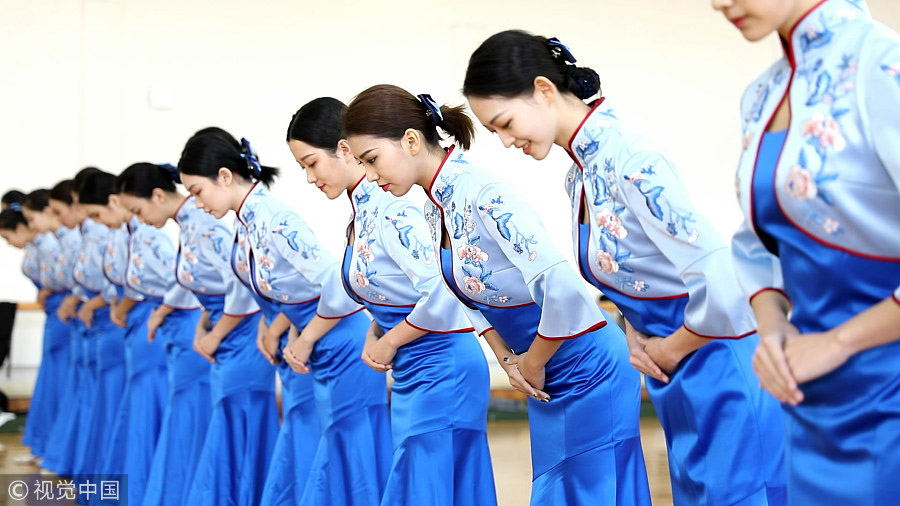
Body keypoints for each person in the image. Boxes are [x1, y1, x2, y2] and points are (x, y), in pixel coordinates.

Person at [462, 30, 788, 505]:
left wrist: (670, 349)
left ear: (544, 90)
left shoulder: (630, 159)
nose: (506, 141)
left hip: (721, 364)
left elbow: (724, 281)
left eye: (506, 123)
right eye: (494, 132)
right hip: (672, 368)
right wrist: (639, 336)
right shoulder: (579, 173)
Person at [344, 84, 651, 505]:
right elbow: (468, 296)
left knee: (588, 490)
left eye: (373, 160)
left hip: (588, 367)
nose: (372, 176)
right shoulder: (437, 207)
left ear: (411, 141)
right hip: (540, 370)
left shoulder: (484, 194)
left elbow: (560, 289)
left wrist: (532, 361)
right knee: (555, 489)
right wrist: (508, 358)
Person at [710, 0, 900, 503]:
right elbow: (758, 242)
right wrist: (772, 330)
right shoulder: (762, 95)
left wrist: (839, 343)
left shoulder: (881, 64)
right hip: (806, 383)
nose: (718, 3)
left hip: (887, 382)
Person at [288, 97, 497, 505]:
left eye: (311, 163)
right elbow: (391, 292)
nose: (310, 178)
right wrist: (375, 330)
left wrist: (389, 341)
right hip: (413, 369)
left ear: (344, 150)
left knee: (428, 489)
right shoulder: (363, 213)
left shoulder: (391, 210)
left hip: (443, 367)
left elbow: (442, 295)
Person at [178, 126, 391, 506]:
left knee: (347, 459)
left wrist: (302, 334)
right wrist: (274, 323)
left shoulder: (275, 219)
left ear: (225, 177)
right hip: (309, 341)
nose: (196, 204)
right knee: (318, 452)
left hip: (337, 342)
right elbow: (281, 286)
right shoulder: (248, 220)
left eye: (197, 192)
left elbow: (336, 284)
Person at [115, 163, 213, 506]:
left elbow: (227, 282)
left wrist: (163, 310)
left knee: (189, 418)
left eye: (139, 210)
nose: (139, 219)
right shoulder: (188, 223)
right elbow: (187, 279)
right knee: (182, 417)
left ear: (158, 195)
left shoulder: (200, 221)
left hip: (197, 328)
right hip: (190, 325)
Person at [79, 169, 174, 505]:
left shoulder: (150, 233)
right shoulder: (131, 232)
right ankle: (129, 487)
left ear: (116, 202)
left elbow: (175, 284)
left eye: (98, 214)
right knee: (135, 404)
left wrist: (125, 305)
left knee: (148, 403)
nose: (99, 222)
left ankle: (143, 489)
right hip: (135, 318)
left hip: (150, 320)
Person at [3, 197, 70, 460]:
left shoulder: (51, 242)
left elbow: (69, 276)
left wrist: (50, 290)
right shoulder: (38, 244)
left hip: (65, 311)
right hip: (53, 311)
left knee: (60, 380)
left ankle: (54, 447)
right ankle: (44, 444)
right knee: (50, 379)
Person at [35, 180, 87, 476]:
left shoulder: (76, 237)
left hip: (94, 315)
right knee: (68, 384)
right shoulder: (75, 237)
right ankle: (62, 454)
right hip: (73, 311)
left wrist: (83, 300)